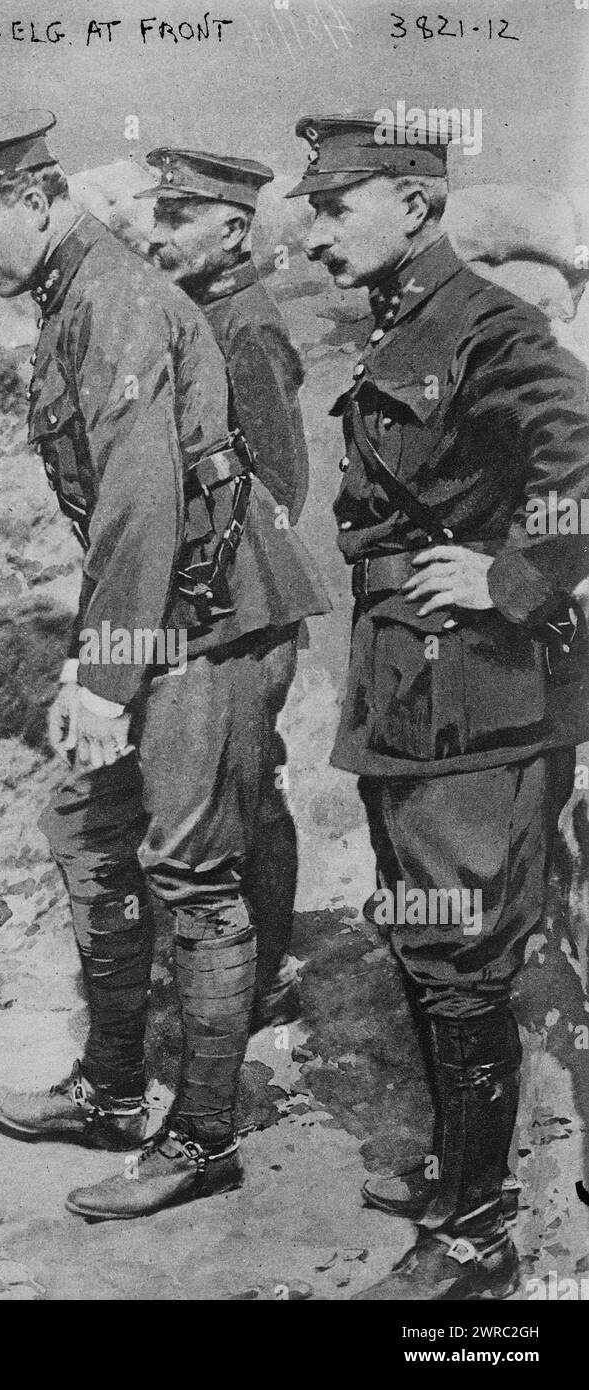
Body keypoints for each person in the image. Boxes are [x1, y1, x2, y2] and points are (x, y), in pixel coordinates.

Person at [0, 110, 330, 1219]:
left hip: (207, 620)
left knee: (193, 873)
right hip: (163, 619)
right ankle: (107, 1088)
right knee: (86, 830)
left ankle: (200, 1137)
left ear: (33, 197)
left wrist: (105, 676)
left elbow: (143, 504)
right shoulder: (77, 295)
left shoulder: (115, 300)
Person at [286, 113, 589, 1298]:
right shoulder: (406, 323)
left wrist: (513, 577)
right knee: (427, 937)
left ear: (414, 203)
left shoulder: (490, 327)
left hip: (482, 704)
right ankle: (458, 1176)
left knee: (461, 956)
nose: (311, 236)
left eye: (331, 205)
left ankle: (477, 1237)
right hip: (413, 693)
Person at [142, 147, 318, 1028]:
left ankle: (260, 978)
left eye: (177, 218)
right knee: (248, 786)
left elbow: (279, 482)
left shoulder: (245, 325)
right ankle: (260, 965)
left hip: (245, 599)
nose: (157, 233)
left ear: (233, 228)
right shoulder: (200, 313)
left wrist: (226, 577)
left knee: (243, 790)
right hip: (220, 594)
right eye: (158, 215)